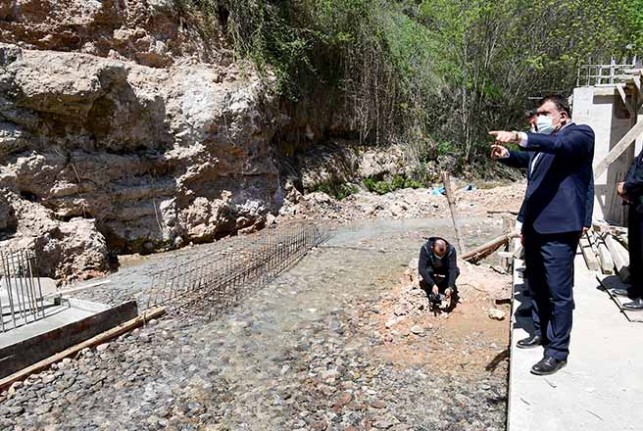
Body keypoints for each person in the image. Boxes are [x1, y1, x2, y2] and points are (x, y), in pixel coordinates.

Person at [489, 94, 595, 376]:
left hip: (560, 228)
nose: (539, 118)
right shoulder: (545, 144)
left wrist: (518, 136)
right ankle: (541, 332)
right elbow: (532, 160)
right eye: (537, 113)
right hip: (535, 226)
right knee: (535, 284)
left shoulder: (579, 134)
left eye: (545, 112)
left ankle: (557, 351)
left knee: (559, 292)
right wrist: (508, 155)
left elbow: (558, 146)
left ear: (562, 114)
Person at [612, 147, 643, 310]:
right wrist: (626, 188)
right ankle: (635, 290)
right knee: (636, 249)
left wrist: (628, 186)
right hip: (637, 204)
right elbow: (635, 165)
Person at [418, 237, 460, 310]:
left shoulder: (451, 250)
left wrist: (450, 287)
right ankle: (431, 292)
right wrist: (432, 284)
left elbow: (452, 269)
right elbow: (422, 269)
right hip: (431, 268)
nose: (440, 257)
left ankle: (443, 290)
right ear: (432, 247)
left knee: (456, 271)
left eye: (442, 255)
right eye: (438, 255)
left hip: (444, 268)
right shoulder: (425, 248)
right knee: (428, 271)